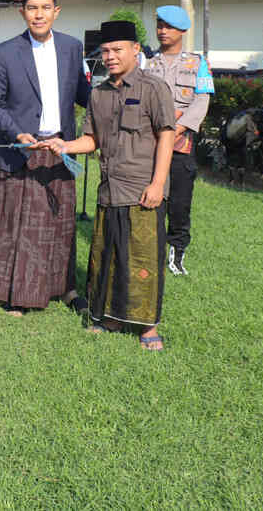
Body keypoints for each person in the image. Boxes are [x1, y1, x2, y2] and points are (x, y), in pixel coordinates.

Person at [36, 20, 175, 350]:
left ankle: (147, 326)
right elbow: (91, 139)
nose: (111, 56)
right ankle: (110, 317)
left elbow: (166, 136)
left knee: (143, 258)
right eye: (106, 51)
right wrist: (63, 145)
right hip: (109, 189)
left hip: (142, 189)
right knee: (108, 256)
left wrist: (158, 184)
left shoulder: (153, 89)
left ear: (135, 50)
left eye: (118, 50)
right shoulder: (98, 94)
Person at [0, 0, 91, 316]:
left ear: (56, 11)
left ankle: (64, 288)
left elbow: (85, 97)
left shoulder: (72, 48)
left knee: (59, 225)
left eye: (45, 8)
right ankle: (14, 292)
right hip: (22, 149)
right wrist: (18, 132)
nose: (38, 14)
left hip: (60, 147)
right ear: (23, 12)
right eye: (32, 8)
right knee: (16, 226)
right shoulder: (6, 51)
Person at [140, 5, 214, 276]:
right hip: (149, 143)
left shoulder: (197, 63)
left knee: (180, 202)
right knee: (151, 198)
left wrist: (178, 129)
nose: (162, 31)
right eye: (159, 25)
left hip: (180, 146)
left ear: (183, 30)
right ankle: (152, 250)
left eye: (168, 26)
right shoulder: (146, 62)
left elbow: (202, 100)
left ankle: (177, 252)